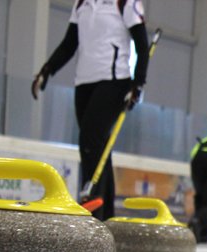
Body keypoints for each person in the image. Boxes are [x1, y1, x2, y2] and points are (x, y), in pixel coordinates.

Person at [31, 0, 150, 221]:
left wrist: (138, 83)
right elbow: (69, 44)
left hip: (114, 81)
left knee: (90, 139)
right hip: (84, 83)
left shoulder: (125, 3)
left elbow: (142, 45)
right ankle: (107, 215)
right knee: (97, 146)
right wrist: (46, 71)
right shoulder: (82, 3)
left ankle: (93, 205)